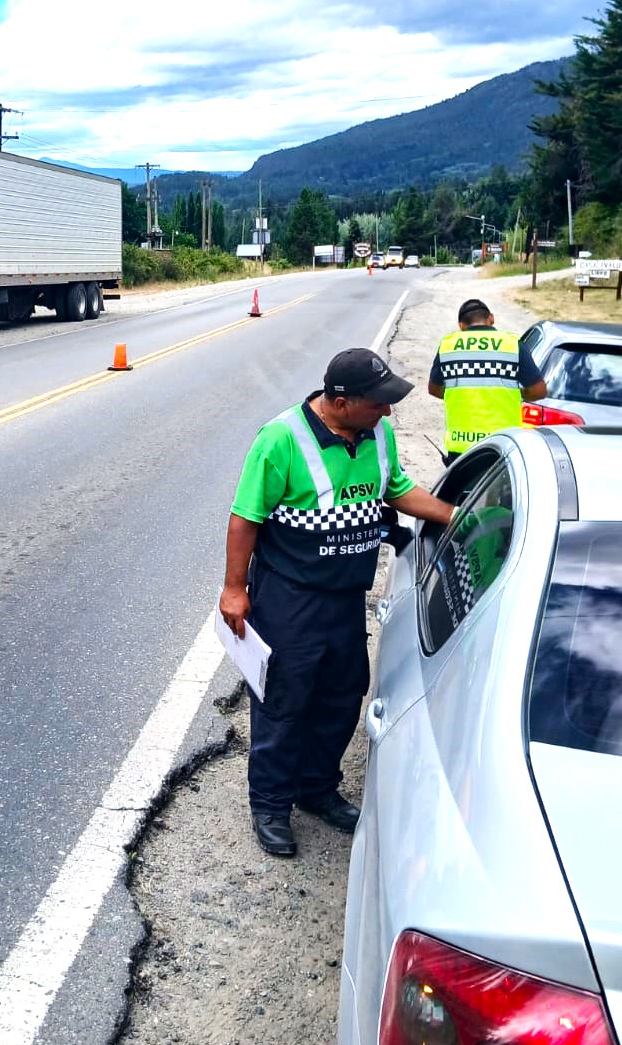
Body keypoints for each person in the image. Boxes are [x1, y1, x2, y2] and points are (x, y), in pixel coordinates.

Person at [220, 348, 456, 858]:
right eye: (378, 404)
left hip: (345, 594)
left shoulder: (378, 434)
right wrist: (234, 588)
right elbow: (245, 518)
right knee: (284, 700)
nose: (388, 413)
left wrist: (453, 514)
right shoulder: (281, 439)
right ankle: (271, 803)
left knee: (341, 694)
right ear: (342, 401)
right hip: (290, 596)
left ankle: (316, 788)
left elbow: (396, 489)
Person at [428, 298, 546, 464]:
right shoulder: (512, 345)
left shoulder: (448, 346)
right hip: (502, 445)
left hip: (460, 449)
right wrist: (511, 392)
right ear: (491, 318)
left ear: (461, 325)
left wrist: (459, 390)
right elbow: (538, 391)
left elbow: (433, 389)